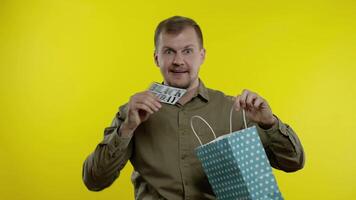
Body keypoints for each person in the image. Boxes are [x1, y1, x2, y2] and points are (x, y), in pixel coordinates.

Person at [82, 16, 305, 200]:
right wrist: (127, 129)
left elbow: (293, 162)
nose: (178, 61)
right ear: (156, 58)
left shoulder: (235, 110)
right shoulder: (133, 113)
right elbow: (94, 180)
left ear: (202, 55)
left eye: (187, 51)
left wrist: (269, 123)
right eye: (169, 51)